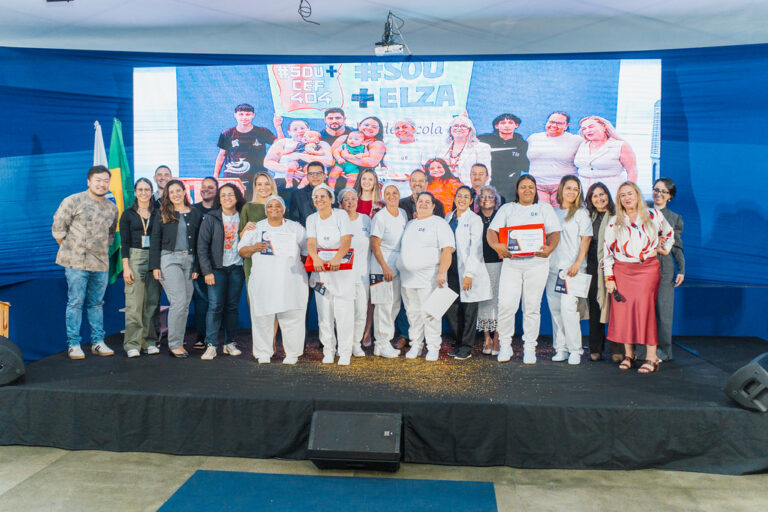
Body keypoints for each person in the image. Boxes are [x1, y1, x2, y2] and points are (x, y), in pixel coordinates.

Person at [487, 175, 561, 364]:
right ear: (517, 190)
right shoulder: (507, 209)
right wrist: (496, 246)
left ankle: (529, 348)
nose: (527, 190)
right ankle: (505, 346)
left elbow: (554, 233)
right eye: (523, 187)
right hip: (512, 264)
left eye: (531, 187)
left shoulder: (544, 208)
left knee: (532, 307)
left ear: (536, 190)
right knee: (506, 306)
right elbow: (491, 231)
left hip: (537, 263)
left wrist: (550, 248)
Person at [603, 181, 673, 374]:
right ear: (619, 199)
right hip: (622, 271)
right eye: (623, 195)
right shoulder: (614, 220)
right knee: (625, 312)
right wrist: (609, 277)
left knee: (645, 310)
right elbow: (607, 251)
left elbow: (669, 233)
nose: (627, 198)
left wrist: (662, 249)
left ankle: (651, 357)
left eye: (630, 193)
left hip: (647, 270)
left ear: (638, 195)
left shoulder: (653, 215)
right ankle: (629, 355)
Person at [52, 165, 118, 359]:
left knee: (97, 303)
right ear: (89, 181)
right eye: (98, 180)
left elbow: (111, 235)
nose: (102, 184)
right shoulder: (73, 201)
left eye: (106, 180)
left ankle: (97, 341)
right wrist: (74, 249)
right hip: (76, 263)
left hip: (100, 264)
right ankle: (74, 344)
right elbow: (58, 229)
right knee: (75, 302)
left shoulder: (111, 207)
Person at [238, 195, 309, 364]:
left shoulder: (295, 228)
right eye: (270, 206)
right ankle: (263, 352)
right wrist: (254, 248)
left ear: (284, 209)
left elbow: (307, 252)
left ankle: (292, 353)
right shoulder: (256, 228)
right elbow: (242, 251)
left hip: (291, 282)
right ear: (265, 210)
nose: (274, 209)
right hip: (264, 281)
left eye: (278, 206)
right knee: (262, 316)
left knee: (292, 316)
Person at [397, 192, 456, 361]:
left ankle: (433, 347)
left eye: (427, 202)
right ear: (416, 205)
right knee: (412, 314)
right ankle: (416, 344)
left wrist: (442, 272)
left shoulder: (439, 223)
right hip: (408, 280)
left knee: (430, 314)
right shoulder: (410, 224)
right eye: (420, 201)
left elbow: (447, 249)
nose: (423, 204)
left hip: (430, 279)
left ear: (433, 206)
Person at [150, 179, 203, 358]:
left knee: (185, 304)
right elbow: (155, 240)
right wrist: (155, 266)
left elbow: (198, 242)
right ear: (167, 195)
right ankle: (174, 344)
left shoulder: (195, 213)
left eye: (178, 191)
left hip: (189, 261)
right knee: (178, 301)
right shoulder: (161, 213)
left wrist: (196, 266)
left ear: (184, 191)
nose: (175, 194)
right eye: (171, 192)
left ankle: (178, 341)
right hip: (169, 260)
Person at [306, 184, 356, 365]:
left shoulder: (341, 215)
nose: (319, 200)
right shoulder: (311, 218)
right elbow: (311, 242)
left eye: (323, 196)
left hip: (341, 270)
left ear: (331, 198)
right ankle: (328, 350)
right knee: (324, 313)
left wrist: (338, 258)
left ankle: (344, 352)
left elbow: (346, 240)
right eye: (316, 197)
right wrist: (315, 258)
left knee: (344, 313)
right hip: (321, 272)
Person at [546, 176, 593, 365]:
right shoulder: (552, 212)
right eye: (568, 188)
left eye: (576, 189)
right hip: (552, 269)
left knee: (569, 309)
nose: (572, 192)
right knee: (555, 309)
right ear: (561, 189)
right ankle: (561, 348)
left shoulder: (581, 213)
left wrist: (577, 263)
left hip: (573, 270)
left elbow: (586, 240)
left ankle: (575, 349)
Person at [197, 184, 246, 360]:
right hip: (216, 269)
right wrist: (207, 271)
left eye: (230, 194)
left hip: (237, 268)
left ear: (237, 197)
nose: (227, 198)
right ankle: (211, 345)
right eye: (223, 195)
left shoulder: (243, 216)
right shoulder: (211, 218)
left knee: (232, 307)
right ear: (219, 198)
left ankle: (229, 343)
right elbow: (201, 247)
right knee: (215, 306)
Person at [444, 186, 492, 360]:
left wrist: (469, 273)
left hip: (468, 269)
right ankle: (458, 343)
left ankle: (466, 347)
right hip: (451, 268)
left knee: (469, 310)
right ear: (455, 198)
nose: (462, 199)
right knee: (452, 309)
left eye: (466, 197)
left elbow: (476, 248)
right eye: (459, 196)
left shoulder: (474, 220)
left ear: (472, 201)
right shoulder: (448, 217)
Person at [119, 178, 160, 358]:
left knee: (151, 302)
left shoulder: (157, 213)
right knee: (135, 304)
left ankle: (149, 341)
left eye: (147, 189)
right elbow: (124, 242)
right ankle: (132, 344)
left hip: (154, 257)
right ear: (135, 192)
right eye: (140, 189)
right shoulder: (128, 214)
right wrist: (126, 267)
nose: (144, 193)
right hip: (134, 257)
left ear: (152, 192)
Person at [369, 184, 408, 359]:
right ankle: (382, 342)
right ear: (384, 197)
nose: (392, 196)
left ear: (399, 195)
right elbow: (375, 244)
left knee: (394, 305)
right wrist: (384, 266)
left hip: (397, 265)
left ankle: (382, 343)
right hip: (381, 265)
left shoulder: (403, 214)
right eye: (388, 194)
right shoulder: (380, 217)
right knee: (383, 305)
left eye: (395, 193)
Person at [584, 182, 621, 362]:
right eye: (595, 196)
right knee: (595, 307)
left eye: (602, 194)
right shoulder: (587, 217)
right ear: (590, 200)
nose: (600, 198)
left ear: (608, 195)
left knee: (616, 308)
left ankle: (617, 349)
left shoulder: (618, 216)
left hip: (615, 267)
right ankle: (595, 348)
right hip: (592, 267)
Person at [651, 177, 685, 362]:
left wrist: (681, 269)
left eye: (663, 191)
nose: (659, 194)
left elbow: (677, 247)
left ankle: (664, 351)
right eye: (656, 190)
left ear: (670, 196)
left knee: (663, 310)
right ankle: (643, 350)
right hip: (642, 266)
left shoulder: (674, 218)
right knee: (644, 310)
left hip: (664, 266)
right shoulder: (642, 213)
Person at [214, 103, 277, 201]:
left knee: (255, 206)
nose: (244, 117)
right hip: (233, 178)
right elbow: (221, 156)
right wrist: (215, 177)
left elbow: (280, 145)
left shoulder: (262, 132)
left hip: (257, 178)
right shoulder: (227, 134)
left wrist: (278, 127)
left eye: (247, 114)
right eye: (241, 114)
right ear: (235, 115)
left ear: (253, 115)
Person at [339, 188, 372, 356]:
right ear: (340, 204)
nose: (350, 202)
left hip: (362, 274)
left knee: (360, 311)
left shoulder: (366, 220)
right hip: (341, 276)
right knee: (343, 313)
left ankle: (355, 344)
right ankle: (342, 344)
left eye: (353, 199)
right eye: (346, 199)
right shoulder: (335, 221)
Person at [526, 112, 582, 206]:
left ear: (566, 125)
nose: (554, 125)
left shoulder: (576, 140)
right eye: (551, 122)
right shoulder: (533, 138)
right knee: (542, 216)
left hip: (563, 186)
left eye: (559, 123)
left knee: (563, 217)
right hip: (538, 186)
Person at [575, 116, 638, 199]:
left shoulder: (620, 145)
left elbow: (632, 170)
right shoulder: (582, 145)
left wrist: (629, 191)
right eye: (584, 129)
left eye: (591, 127)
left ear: (604, 127)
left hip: (610, 190)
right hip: (583, 190)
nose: (587, 130)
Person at [474, 185, 504, 355]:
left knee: (499, 301)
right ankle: (487, 337)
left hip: (499, 265)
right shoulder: (474, 218)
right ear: (478, 200)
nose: (486, 200)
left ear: (496, 200)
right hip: (480, 265)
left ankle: (497, 337)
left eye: (490, 197)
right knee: (484, 301)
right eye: (483, 197)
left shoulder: (501, 217)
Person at [264, 119, 334, 189]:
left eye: (302, 128)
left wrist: (299, 156)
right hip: (284, 179)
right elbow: (268, 162)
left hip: (314, 181)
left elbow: (328, 162)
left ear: (308, 129)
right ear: (289, 133)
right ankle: (289, 182)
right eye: (295, 129)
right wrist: (289, 171)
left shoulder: (320, 143)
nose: (300, 131)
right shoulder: (283, 142)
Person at [191, 176, 218, 350]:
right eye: (204, 187)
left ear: (217, 190)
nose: (206, 189)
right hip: (199, 263)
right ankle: (201, 336)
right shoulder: (194, 210)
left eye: (210, 187)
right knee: (201, 303)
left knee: (217, 303)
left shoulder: (222, 209)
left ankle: (216, 337)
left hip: (219, 263)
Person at [239, 171, 279, 283]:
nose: (263, 187)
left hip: (276, 259)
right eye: (259, 184)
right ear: (255, 187)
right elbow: (240, 238)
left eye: (267, 184)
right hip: (253, 258)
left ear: (272, 185)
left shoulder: (280, 207)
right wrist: (246, 229)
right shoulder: (248, 207)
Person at [478, 113, 529, 200]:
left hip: (511, 187)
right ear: (496, 126)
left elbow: (525, 167)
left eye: (510, 123)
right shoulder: (485, 140)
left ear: (516, 125)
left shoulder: (521, 144)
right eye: (503, 123)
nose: (507, 126)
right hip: (489, 183)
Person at [434, 115, 491, 185]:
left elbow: (485, 175)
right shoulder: (441, 148)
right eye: (455, 126)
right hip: (444, 190)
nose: (459, 128)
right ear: (450, 129)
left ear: (470, 130)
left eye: (463, 126)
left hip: (469, 190)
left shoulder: (481, 148)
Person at [379, 118, 424, 192]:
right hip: (390, 187)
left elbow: (427, 169)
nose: (400, 130)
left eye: (404, 127)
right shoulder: (389, 145)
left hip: (414, 188)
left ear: (413, 128)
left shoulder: (421, 146)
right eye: (397, 128)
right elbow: (382, 165)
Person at [287, 161, 327, 226]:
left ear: (324, 176)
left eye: (318, 173)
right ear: (307, 176)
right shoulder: (297, 195)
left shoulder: (334, 195)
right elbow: (294, 220)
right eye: (311, 174)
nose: (315, 176)